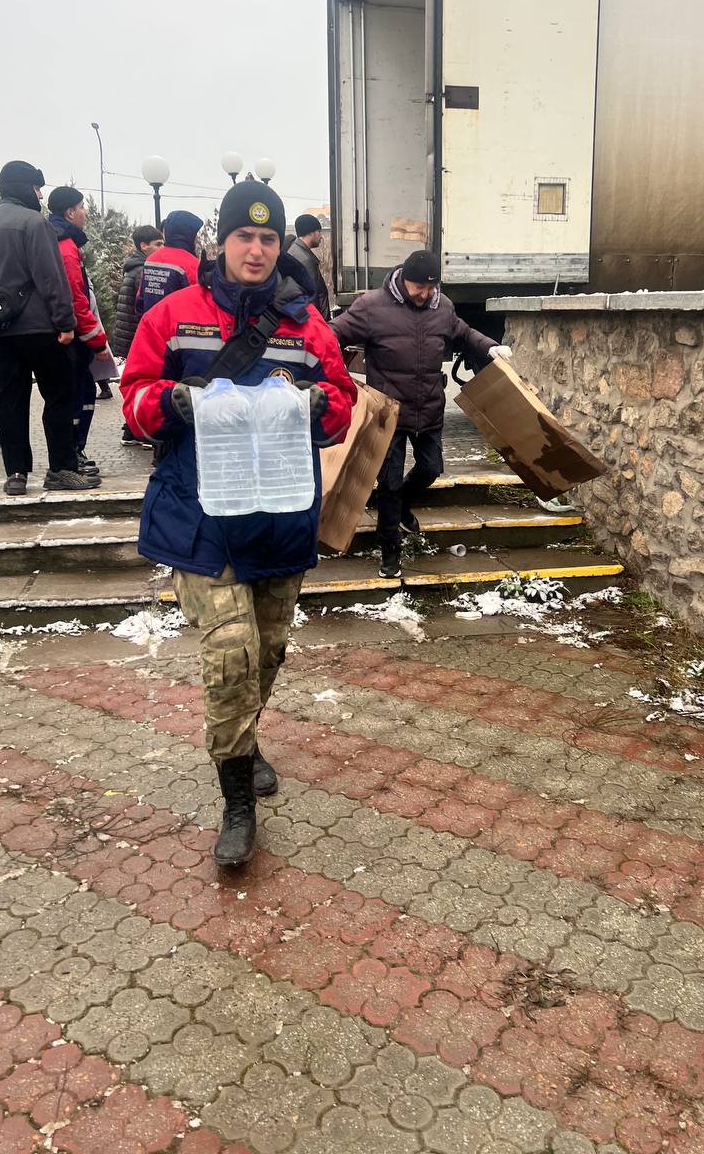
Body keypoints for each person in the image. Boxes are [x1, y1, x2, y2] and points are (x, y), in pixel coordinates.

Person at [121, 180, 356, 868]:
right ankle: (237, 803)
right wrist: (172, 403)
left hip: (280, 517)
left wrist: (321, 410)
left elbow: (343, 401)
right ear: (220, 241)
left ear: (280, 246)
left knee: (269, 650)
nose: (256, 250)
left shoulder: (306, 323)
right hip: (202, 517)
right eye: (243, 237)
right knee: (232, 654)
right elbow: (132, 398)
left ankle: (245, 742)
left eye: (268, 239)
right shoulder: (174, 315)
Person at [331, 249, 511, 578]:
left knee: (431, 467)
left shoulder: (442, 307)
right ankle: (390, 551)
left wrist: (489, 347)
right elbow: (332, 335)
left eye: (430, 288)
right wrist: (336, 376)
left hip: (429, 406)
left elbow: (464, 333)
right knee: (387, 482)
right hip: (389, 411)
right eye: (419, 287)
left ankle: (402, 505)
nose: (425, 294)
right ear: (403, 279)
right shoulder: (372, 307)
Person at [0, 160, 100, 496]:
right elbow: (51, 278)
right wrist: (65, 323)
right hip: (40, 329)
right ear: (25, 187)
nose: (41, 195)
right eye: (37, 187)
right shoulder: (34, 223)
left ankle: (16, 473)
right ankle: (60, 468)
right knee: (59, 396)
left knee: (10, 401)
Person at [46, 187, 110, 476]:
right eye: (82, 207)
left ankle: (75, 452)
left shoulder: (62, 241)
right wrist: (96, 341)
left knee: (80, 393)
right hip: (71, 337)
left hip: (69, 333)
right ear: (70, 212)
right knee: (77, 395)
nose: (86, 212)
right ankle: (71, 456)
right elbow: (76, 296)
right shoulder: (65, 245)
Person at [113, 224, 162, 443]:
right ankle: (135, 429)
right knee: (143, 384)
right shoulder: (144, 270)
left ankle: (131, 429)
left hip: (128, 333)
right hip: (137, 335)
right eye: (157, 244)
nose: (162, 248)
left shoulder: (132, 268)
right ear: (144, 246)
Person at [136, 210, 202, 313]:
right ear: (188, 235)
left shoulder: (151, 259)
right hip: (176, 326)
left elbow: (140, 300)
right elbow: (197, 305)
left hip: (150, 324)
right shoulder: (191, 263)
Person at [286, 213, 330, 320]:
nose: (321, 236)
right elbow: (313, 296)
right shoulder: (305, 259)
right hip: (313, 319)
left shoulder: (295, 250)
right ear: (310, 233)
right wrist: (319, 322)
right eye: (318, 232)